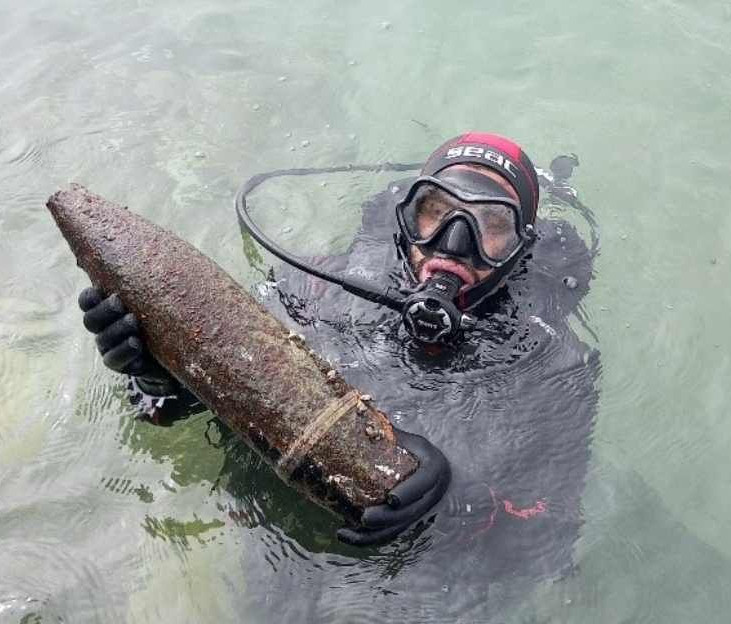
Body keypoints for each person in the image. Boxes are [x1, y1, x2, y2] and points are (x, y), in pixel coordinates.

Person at [78, 133, 599, 613]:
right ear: (406, 215)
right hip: (284, 547)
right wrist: (158, 375)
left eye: (491, 227)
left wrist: (452, 498)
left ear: (521, 251)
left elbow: (546, 544)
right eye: (436, 212)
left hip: (427, 583)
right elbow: (204, 410)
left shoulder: (555, 366)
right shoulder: (313, 292)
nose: (452, 244)